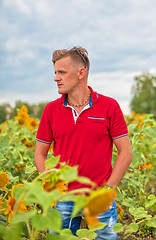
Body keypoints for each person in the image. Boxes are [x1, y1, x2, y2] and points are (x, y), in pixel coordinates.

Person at [34, 46, 133, 240]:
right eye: (55, 73)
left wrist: (108, 191)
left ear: (81, 72)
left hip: (99, 197)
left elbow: (126, 153)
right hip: (62, 199)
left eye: (61, 72)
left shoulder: (109, 106)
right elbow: (40, 154)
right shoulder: (51, 110)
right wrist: (50, 188)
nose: (56, 78)